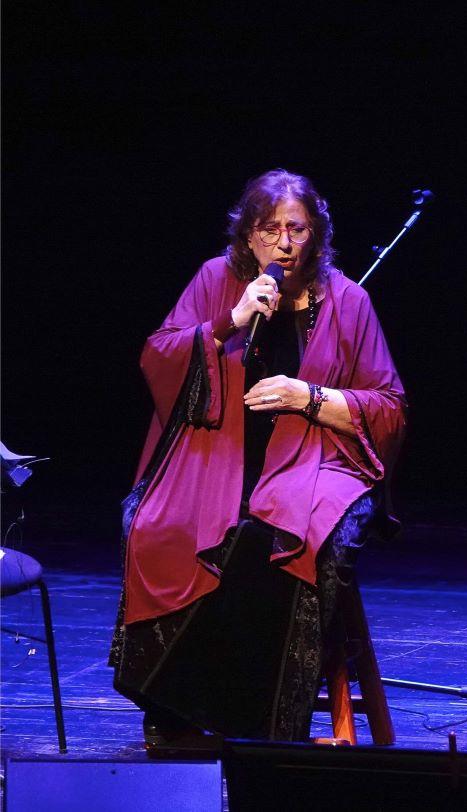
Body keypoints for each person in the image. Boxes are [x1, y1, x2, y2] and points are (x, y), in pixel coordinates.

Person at [110, 169, 406, 748]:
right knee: (154, 524)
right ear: (247, 237)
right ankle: (172, 709)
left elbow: (390, 407)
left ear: (316, 235)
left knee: (285, 533)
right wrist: (230, 322)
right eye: (269, 230)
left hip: (314, 459)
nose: (284, 244)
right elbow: (158, 358)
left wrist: (310, 397)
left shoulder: (348, 301)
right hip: (216, 451)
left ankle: (265, 727)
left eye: (296, 229)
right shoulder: (216, 280)